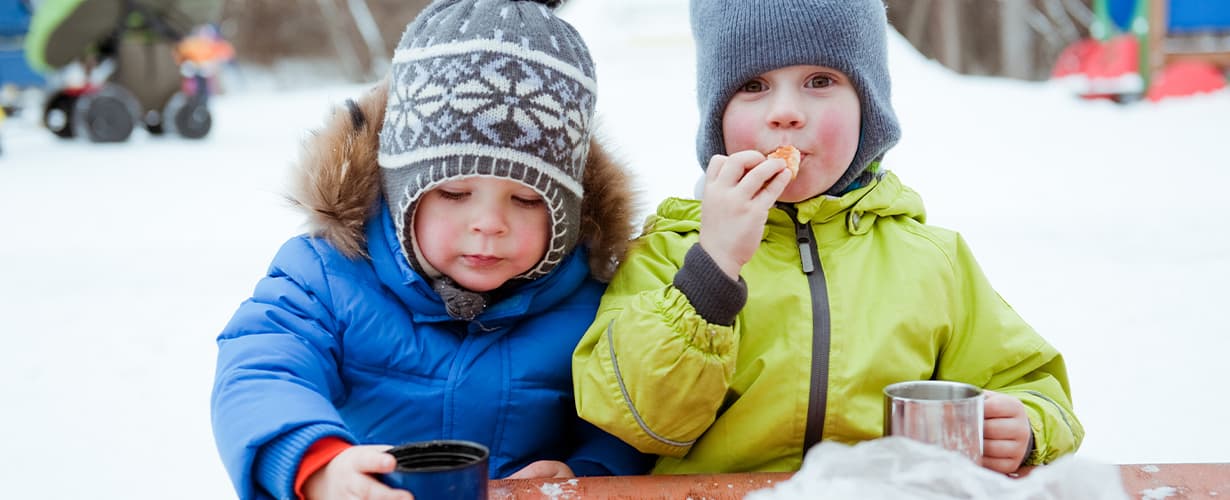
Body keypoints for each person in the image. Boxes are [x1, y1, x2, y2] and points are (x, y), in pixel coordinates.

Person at [572, 0, 1084, 476]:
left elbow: (1032, 383)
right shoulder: (669, 254)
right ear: (716, 118)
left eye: (820, 80)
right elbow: (633, 417)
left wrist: (1027, 425)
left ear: (870, 111)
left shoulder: (932, 260)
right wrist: (713, 266)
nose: (786, 112)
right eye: (753, 85)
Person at [210, 1, 651, 498]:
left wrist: (586, 471)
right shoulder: (327, 275)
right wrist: (316, 464)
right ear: (402, 193)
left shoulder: (594, 304)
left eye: (527, 199)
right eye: (454, 194)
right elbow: (260, 369)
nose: (488, 224)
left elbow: (631, 420)